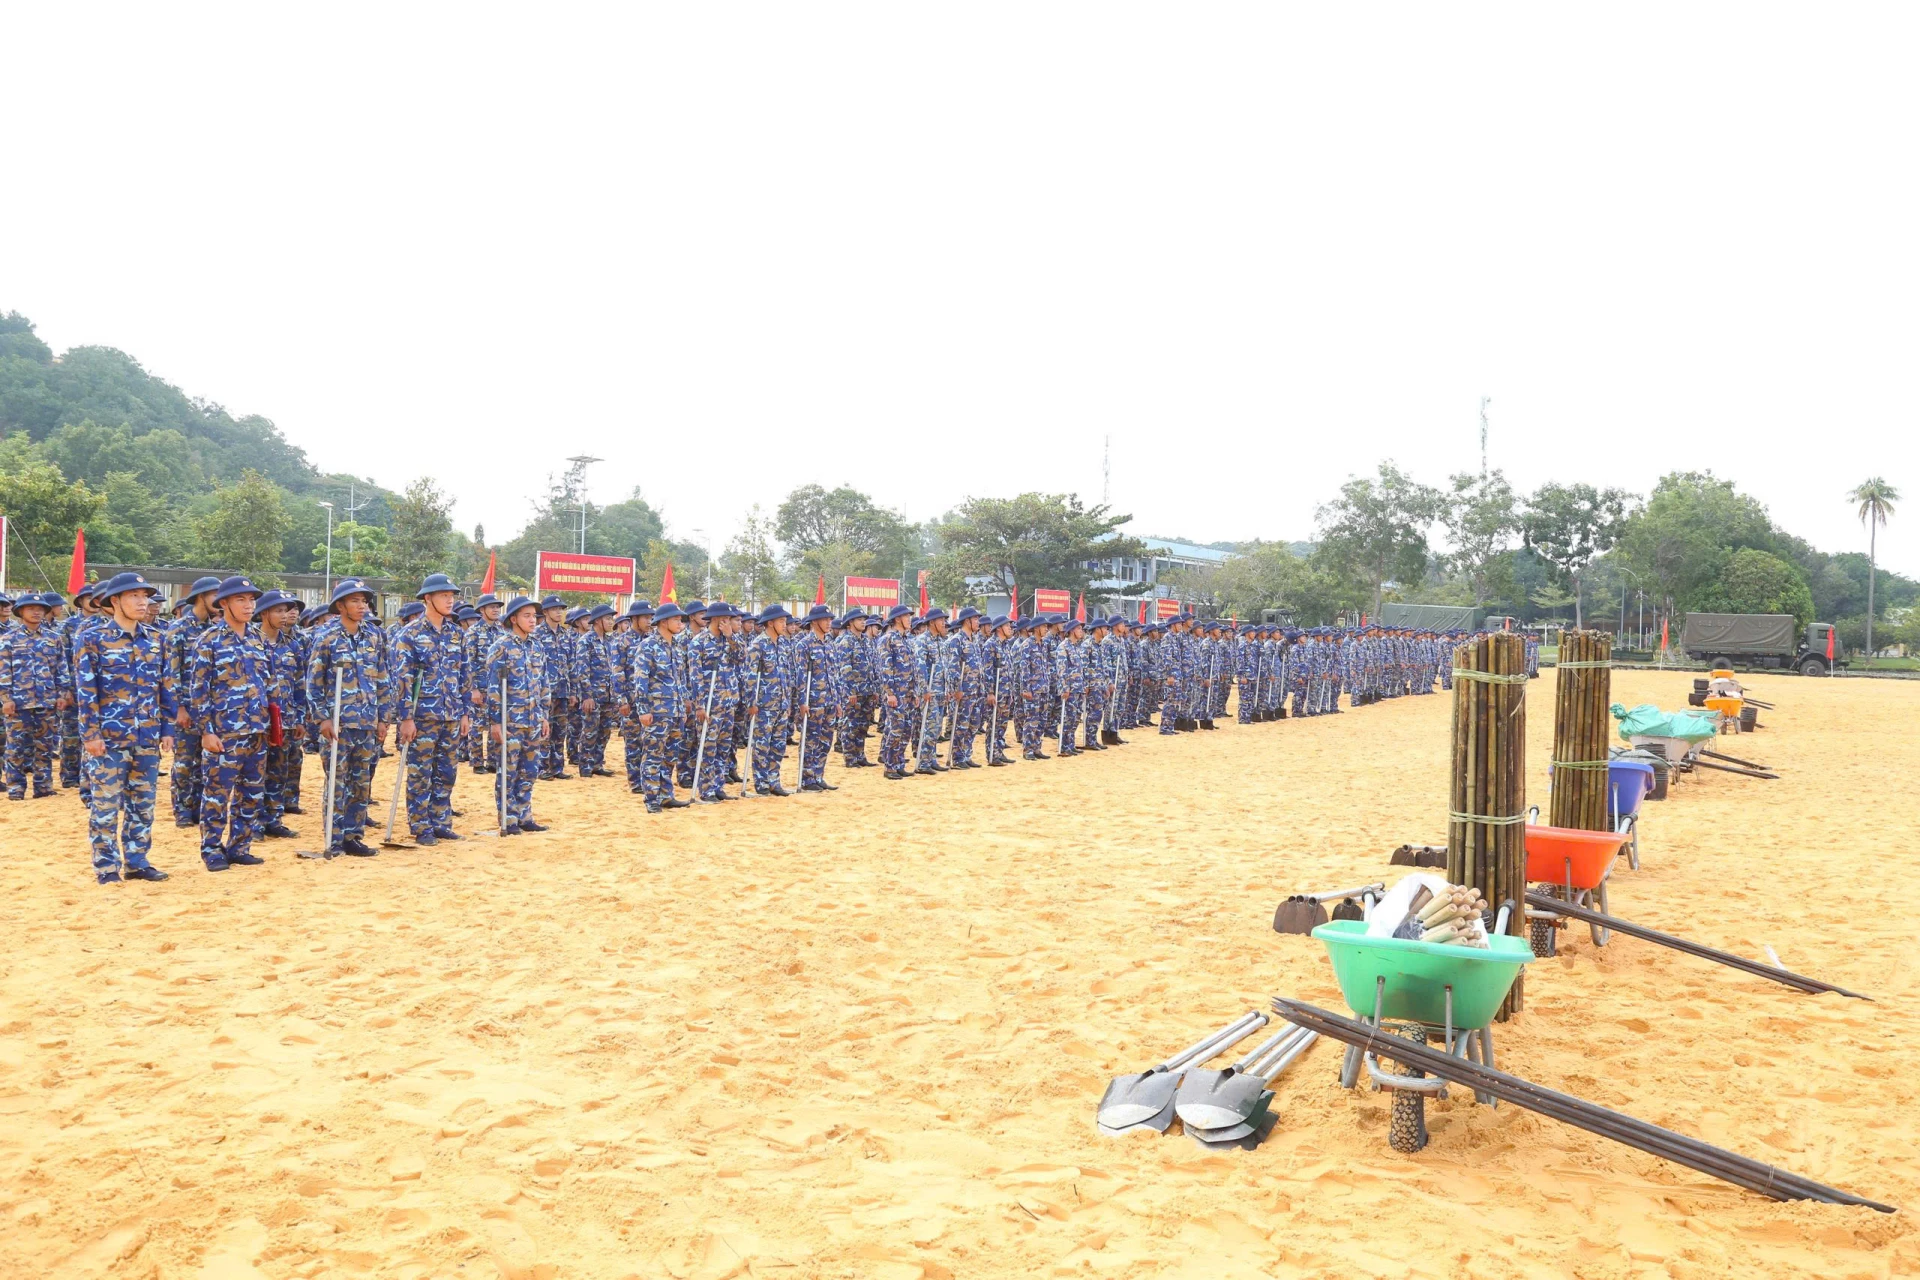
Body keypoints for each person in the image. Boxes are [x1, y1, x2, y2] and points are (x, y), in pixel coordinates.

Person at [73, 573, 174, 883]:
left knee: (143, 805)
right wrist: (91, 734)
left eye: (145, 596)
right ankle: (106, 867)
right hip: (109, 739)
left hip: (147, 736)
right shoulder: (92, 639)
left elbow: (166, 687)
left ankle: (137, 862)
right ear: (115, 600)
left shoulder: (156, 639)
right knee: (105, 806)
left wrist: (167, 729)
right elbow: (86, 691)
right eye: (134, 596)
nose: (143, 602)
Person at [188, 576, 272, 871]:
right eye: (241, 600)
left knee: (251, 793)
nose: (249, 606)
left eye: (251, 600)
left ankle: (240, 847)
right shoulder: (209, 640)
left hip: (256, 730)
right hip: (224, 732)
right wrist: (206, 731)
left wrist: (274, 724)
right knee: (216, 795)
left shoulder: (258, 638)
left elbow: (269, 683)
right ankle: (212, 850)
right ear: (223, 603)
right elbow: (198, 690)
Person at [305, 579, 389, 857]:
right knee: (337, 782)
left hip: (366, 721)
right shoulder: (327, 637)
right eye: (355, 601)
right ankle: (334, 837)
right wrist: (322, 718)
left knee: (361, 782)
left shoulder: (374, 636)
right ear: (340, 606)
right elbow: (314, 682)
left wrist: (383, 718)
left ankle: (354, 836)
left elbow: (382, 677)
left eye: (364, 601)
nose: (361, 606)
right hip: (338, 723)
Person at [393, 573, 471, 846]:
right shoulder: (410, 634)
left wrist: (464, 712)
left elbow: (464, 676)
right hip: (422, 716)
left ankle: (441, 822)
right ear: (428, 598)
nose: (450, 600)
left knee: (447, 772)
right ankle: (421, 826)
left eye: (452, 596)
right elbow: (403, 679)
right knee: (420, 773)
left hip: (451, 714)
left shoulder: (456, 634)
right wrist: (405, 718)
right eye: (443, 595)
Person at [485, 596, 551, 833]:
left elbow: (543, 683)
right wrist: (495, 722)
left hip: (533, 719)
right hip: (510, 720)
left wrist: (544, 715)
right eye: (527, 616)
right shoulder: (501, 647)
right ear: (513, 619)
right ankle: (508, 818)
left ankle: (525, 815)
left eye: (534, 616)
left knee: (529, 770)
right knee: (508, 771)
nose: (533, 620)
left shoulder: (536, 646)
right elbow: (493, 687)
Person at [1, 592, 72, 799]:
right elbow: (3, 671)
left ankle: (43, 787)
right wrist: (5, 698)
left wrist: (62, 694)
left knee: (45, 747)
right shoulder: (8, 639)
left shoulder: (53, 638)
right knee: (15, 747)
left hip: (47, 701)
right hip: (18, 703)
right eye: (31, 608)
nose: (36, 612)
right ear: (20, 612)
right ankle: (16, 788)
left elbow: (61, 668)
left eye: (40, 609)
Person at [166, 575, 222, 825]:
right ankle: (182, 810)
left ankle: (199, 808)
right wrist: (178, 707)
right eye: (215, 596)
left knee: (205, 761)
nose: (220, 601)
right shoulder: (178, 629)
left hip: (208, 707)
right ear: (201, 597)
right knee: (185, 761)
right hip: (186, 707)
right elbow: (171, 673)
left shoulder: (214, 630)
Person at [252, 589, 305, 839]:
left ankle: (274, 819)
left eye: (287, 611)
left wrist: (300, 717)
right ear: (264, 613)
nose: (285, 616)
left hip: (286, 719)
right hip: (257, 720)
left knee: (279, 771)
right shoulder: (251, 642)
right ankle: (253, 823)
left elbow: (299, 683)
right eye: (279, 611)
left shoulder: (292, 645)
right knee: (255, 773)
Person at [631, 601, 690, 811]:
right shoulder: (648, 646)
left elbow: (680, 679)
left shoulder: (676, 646)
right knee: (653, 755)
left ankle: (666, 795)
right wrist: (643, 710)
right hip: (656, 712)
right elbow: (640, 679)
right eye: (676, 619)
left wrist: (683, 706)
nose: (680, 623)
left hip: (675, 711)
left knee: (670, 756)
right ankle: (651, 799)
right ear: (664, 622)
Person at [744, 605, 794, 795]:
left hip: (781, 703)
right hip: (763, 704)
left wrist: (787, 700)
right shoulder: (758, 645)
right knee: (761, 745)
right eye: (781, 621)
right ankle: (762, 782)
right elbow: (750, 676)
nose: (785, 624)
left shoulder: (783, 643)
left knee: (778, 745)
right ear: (770, 623)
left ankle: (774, 780)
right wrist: (751, 702)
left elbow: (787, 674)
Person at [792, 604, 839, 791]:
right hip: (812, 702)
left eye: (829, 619)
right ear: (814, 622)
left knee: (825, 740)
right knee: (810, 740)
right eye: (824, 619)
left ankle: (818, 775)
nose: (828, 623)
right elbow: (800, 676)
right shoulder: (804, 645)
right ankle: (807, 778)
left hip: (829, 700)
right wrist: (802, 702)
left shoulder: (829, 643)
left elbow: (834, 674)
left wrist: (837, 700)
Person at [573, 604, 617, 777]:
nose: (611, 622)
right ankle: (585, 766)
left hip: (608, 695)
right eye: (608, 618)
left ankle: (597, 764)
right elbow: (582, 670)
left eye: (612, 619)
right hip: (593, 696)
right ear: (598, 620)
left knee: (605, 732)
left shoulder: (610, 641)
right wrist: (587, 696)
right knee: (590, 731)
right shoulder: (586, 641)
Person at [534, 596, 575, 779]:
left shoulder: (566, 635)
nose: (559, 612)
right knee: (544, 730)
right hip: (544, 692)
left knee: (560, 731)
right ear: (545, 612)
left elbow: (571, 664)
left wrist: (573, 691)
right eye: (555, 609)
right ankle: (542, 768)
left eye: (561, 609)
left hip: (563, 690)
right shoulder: (537, 634)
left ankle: (557, 768)